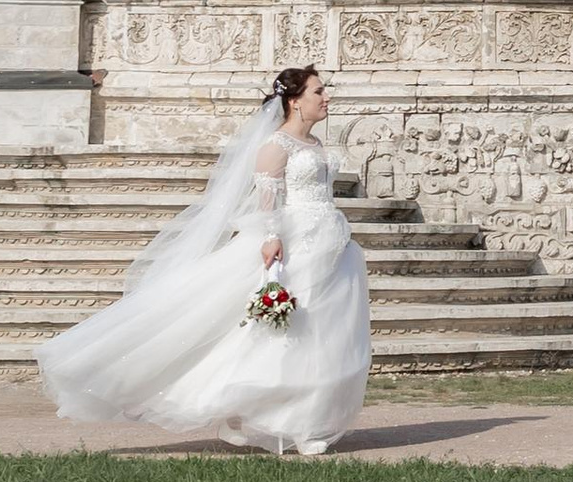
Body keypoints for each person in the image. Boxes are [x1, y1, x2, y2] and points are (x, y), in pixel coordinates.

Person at [38, 66, 371, 457]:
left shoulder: (314, 143)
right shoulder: (275, 145)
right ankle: (281, 422)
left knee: (325, 335)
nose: (326, 98)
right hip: (297, 245)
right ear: (295, 101)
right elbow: (268, 200)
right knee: (290, 332)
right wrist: (271, 238)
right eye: (318, 91)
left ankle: (301, 418)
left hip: (332, 245)